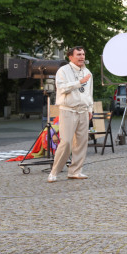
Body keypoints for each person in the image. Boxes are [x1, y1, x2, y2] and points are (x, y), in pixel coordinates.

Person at [48, 46, 93, 182]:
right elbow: (61, 88)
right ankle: (54, 171)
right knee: (66, 142)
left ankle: (75, 171)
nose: (82, 57)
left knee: (81, 142)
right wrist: (79, 82)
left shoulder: (87, 72)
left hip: (83, 110)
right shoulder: (63, 71)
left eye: (83, 54)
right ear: (70, 57)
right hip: (68, 110)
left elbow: (89, 92)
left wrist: (90, 109)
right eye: (78, 54)